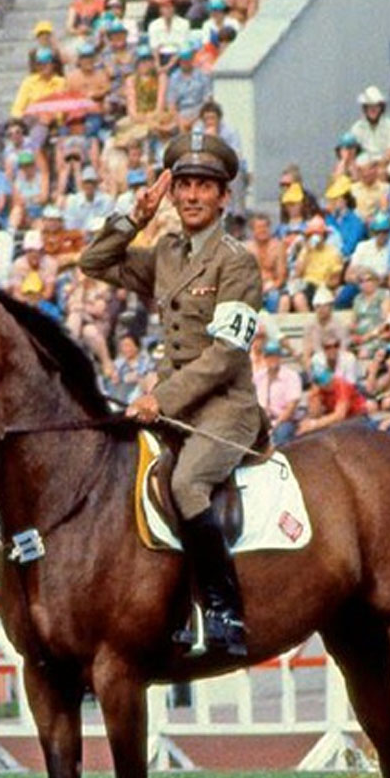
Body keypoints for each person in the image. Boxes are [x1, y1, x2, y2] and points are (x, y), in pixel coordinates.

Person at [80, 132, 260, 658]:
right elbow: (94, 263)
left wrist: (162, 397)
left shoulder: (237, 262)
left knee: (185, 485)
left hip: (223, 410)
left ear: (224, 196)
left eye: (203, 186)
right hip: (172, 410)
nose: (190, 196)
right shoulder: (166, 252)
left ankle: (225, 610)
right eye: (182, 186)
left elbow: (227, 354)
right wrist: (134, 217)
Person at [254, 340, 301, 445]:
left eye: (275, 356)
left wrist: (273, 425)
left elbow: (290, 408)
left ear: (280, 357)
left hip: (284, 421)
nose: (272, 359)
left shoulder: (291, 376)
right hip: (262, 420)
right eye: (269, 356)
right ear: (264, 358)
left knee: (280, 434)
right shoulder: (258, 377)